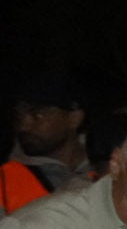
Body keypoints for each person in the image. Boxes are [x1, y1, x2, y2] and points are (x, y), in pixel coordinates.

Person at [8, 74, 91, 211]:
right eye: (19, 115)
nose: (23, 126)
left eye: (37, 114)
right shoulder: (6, 182)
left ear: (74, 118)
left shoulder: (111, 166)